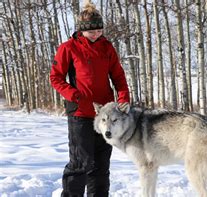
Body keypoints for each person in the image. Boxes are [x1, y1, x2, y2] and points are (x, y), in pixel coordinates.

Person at [49, 1, 130, 196]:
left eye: (99, 30)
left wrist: (123, 96)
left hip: (105, 115)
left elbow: (118, 76)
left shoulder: (107, 47)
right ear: (82, 30)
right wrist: (74, 95)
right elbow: (55, 77)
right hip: (81, 112)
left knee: (101, 165)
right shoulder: (68, 48)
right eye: (91, 31)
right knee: (80, 163)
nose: (96, 34)